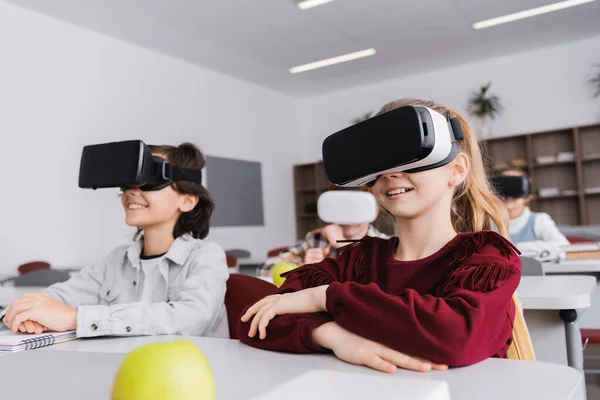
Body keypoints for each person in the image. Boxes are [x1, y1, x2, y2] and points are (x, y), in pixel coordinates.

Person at [238, 98, 524, 373]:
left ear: (457, 170)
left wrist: (325, 298)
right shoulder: (358, 261)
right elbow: (253, 321)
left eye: (410, 158)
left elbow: (456, 336)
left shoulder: (486, 258)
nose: (390, 174)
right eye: (380, 165)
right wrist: (331, 335)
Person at [2, 143, 229, 338]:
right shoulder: (117, 261)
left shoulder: (207, 257)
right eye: (128, 183)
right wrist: (22, 314)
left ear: (188, 201)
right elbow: (59, 297)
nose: (131, 192)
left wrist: (76, 318)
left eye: (149, 180)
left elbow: (190, 318)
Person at [257, 186, 389, 278]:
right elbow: (264, 268)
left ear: (374, 213)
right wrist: (302, 268)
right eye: (341, 207)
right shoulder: (317, 240)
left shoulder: (386, 245)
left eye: (356, 208)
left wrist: (342, 245)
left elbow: (378, 280)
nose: (347, 216)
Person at [500, 169, 569, 253]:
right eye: (504, 185)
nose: (509, 195)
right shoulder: (488, 223)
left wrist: (518, 247)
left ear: (528, 197)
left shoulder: (539, 220)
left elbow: (563, 245)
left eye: (515, 185)